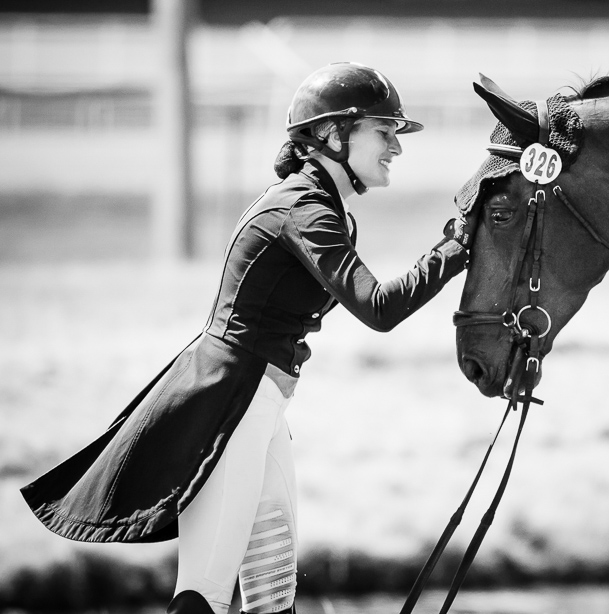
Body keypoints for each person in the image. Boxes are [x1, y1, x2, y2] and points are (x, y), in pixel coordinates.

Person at [20, 62, 474, 614]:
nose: (396, 148)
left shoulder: (320, 207)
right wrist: (458, 246)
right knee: (205, 598)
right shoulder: (303, 211)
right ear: (333, 135)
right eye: (383, 132)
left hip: (260, 406)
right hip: (230, 403)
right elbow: (379, 308)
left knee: (271, 598)